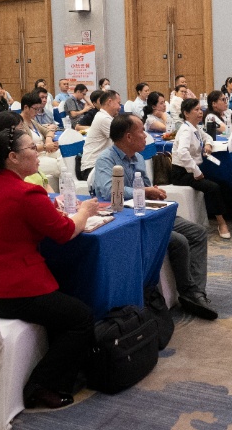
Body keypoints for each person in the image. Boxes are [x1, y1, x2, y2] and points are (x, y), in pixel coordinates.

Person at [0, 127, 99, 409]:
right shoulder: (26, 192)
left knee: (65, 305)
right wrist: (85, 212)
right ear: (13, 157)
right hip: (13, 288)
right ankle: (42, 385)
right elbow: (65, 232)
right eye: (32, 147)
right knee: (80, 317)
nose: (38, 151)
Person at [90, 114, 218, 318]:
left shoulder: (139, 158)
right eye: (141, 131)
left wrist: (152, 192)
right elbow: (108, 191)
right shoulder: (106, 159)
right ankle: (189, 292)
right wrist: (144, 191)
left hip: (149, 213)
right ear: (129, 137)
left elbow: (146, 187)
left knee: (198, 232)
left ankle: (195, 292)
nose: (146, 136)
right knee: (179, 241)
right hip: (126, 219)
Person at [171, 98, 232, 238]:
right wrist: (196, 171)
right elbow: (182, 153)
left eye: (200, 109)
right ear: (186, 113)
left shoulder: (195, 128)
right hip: (182, 173)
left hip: (192, 170)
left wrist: (208, 144)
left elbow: (207, 137)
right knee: (213, 187)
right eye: (196, 110)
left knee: (223, 181)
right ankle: (221, 223)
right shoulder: (185, 130)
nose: (200, 112)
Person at [19, 91, 61, 182]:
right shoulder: (19, 124)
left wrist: (48, 140)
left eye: (39, 109)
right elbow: (25, 149)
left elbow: (48, 131)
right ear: (26, 107)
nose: (37, 112)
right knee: (61, 166)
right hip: (33, 158)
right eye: (35, 109)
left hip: (43, 152)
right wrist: (45, 147)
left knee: (64, 155)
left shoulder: (32, 121)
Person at [80, 90, 121, 177]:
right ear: (109, 102)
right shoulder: (104, 118)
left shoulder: (105, 116)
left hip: (101, 165)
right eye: (118, 103)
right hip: (92, 168)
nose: (120, 107)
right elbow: (122, 141)